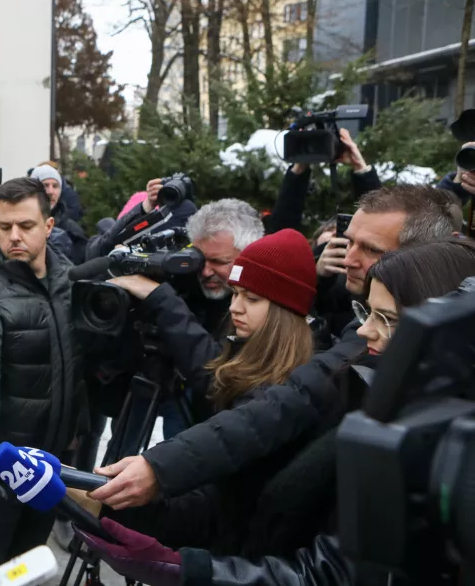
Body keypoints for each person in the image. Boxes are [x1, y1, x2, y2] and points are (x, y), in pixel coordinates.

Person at [75, 239, 475, 586]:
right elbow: (232, 504)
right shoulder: (345, 390)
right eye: (366, 313)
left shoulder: (340, 407)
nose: (365, 331)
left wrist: (184, 568)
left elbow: (329, 571)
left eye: (386, 320)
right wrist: (126, 510)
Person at [86, 185, 460, 513]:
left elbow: (279, 404)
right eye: (349, 242)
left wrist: (160, 469)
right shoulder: (362, 322)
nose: (348, 258)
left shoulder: (389, 348)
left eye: (371, 249)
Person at [90, 230, 321, 552]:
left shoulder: (286, 392)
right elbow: (213, 373)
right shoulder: (247, 354)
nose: (235, 307)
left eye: (251, 298)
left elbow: (223, 505)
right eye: (235, 293)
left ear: (287, 313)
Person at [0, 177, 86, 566]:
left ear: (49, 225)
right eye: (4, 226)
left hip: (51, 458)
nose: (14, 236)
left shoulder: (68, 277)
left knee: (29, 565)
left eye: (25, 226)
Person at [316, 185, 461, 333]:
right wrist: (319, 281)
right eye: (350, 242)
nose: (347, 261)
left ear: (430, 254)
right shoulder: (341, 286)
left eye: (372, 250)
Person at [30, 164, 87, 264]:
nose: (51, 191)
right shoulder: (19, 224)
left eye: (55, 186)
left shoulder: (72, 229)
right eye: (45, 185)